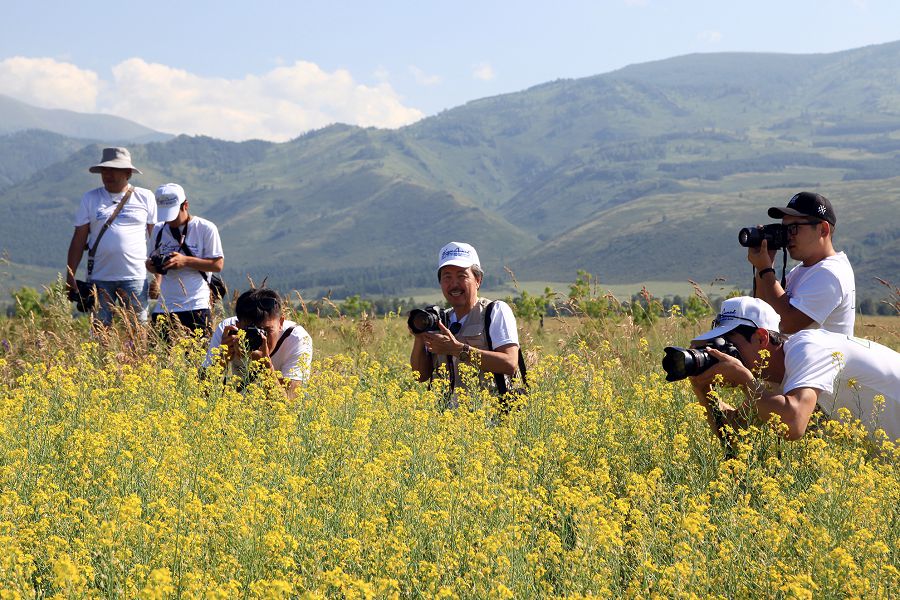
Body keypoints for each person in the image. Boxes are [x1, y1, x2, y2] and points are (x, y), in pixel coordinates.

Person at [688, 296, 900, 442]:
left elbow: (793, 423)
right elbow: (733, 430)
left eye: (729, 345)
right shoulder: (772, 378)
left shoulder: (808, 348)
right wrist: (704, 389)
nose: (724, 356)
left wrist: (745, 380)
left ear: (761, 338)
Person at [409, 242, 522, 401]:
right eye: (447, 277)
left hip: (493, 418)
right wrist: (420, 336)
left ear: (478, 280)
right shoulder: (440, 320)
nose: (454, 284)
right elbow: (419, 376)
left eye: (461, 276)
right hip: (449, 421)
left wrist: (457, 350)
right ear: (440, 283)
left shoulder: (494, 311)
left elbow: (509, 363)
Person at [65, 147, 157, 326]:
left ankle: (135, 356)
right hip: (99, 277)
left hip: (135, 276)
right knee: (100, 332)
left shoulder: (145, 197)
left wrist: (158, 278)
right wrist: (70, 277)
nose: (107, 174)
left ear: (128, 173)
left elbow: (156, 240)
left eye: (114, 169)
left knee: (138, 331)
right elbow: (78, 240)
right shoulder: (90, 198)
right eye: (105, 169)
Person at [749, 191, 856, 335]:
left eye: (793, 228)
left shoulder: (830, 274)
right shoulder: (804, 270)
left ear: (823, 229)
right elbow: (761, 315)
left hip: (822, 358)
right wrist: (764, 265)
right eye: (784, 229)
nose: (788, 236)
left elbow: (787, 324)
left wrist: (766, 271)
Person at [147, 183, 224, 336]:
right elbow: (149, 262)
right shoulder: (158, 229)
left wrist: (185, 261)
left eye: (173, 214)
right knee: (160, 357)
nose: (169, 221)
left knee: (200, 358)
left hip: (196, 306)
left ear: (186, 205)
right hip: (164, 307)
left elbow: (217, 265)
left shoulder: (205, 228)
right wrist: (154, 266)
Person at [204, 288, 312, 394]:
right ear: (238, 325)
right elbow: (203, 393)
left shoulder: (297, 339)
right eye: (250, 331)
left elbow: (290, 404)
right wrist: (222, 359)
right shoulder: (228, 331)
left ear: (281, 323)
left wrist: (266, 366)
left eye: (266, 330)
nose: (261, 338)